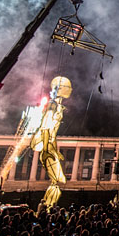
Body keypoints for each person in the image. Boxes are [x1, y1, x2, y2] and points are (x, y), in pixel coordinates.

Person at [29, 76, 72, 208]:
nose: (70, 89)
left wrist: (55, 150)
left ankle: (48, 206)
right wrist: (48, 149)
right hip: (46, 146)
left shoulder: (58, 106)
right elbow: (46, 128)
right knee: (58, 181)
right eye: (68, 87)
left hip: (50, 146)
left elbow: (53, 134)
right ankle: (48, 206)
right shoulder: (52, 106)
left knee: (59, 181)